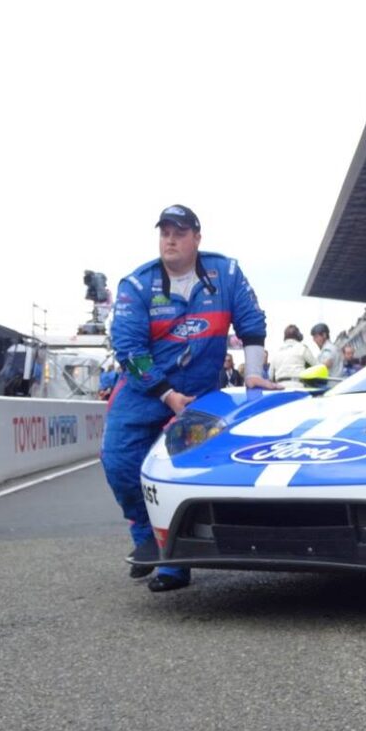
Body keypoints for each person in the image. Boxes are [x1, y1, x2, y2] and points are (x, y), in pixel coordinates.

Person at [102, 204, 277, 592]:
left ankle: (174, 564)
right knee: (118, 462)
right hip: (143, 391)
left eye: (180, 233)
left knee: (185, 471)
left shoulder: (226, 272)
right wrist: (166, 394)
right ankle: (147, 536)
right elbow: (128, 348)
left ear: (197, 238)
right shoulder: (136, 285)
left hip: (200, 392)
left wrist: (253, 373)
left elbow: (251, 323)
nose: (170, 240)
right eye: (165, 232)